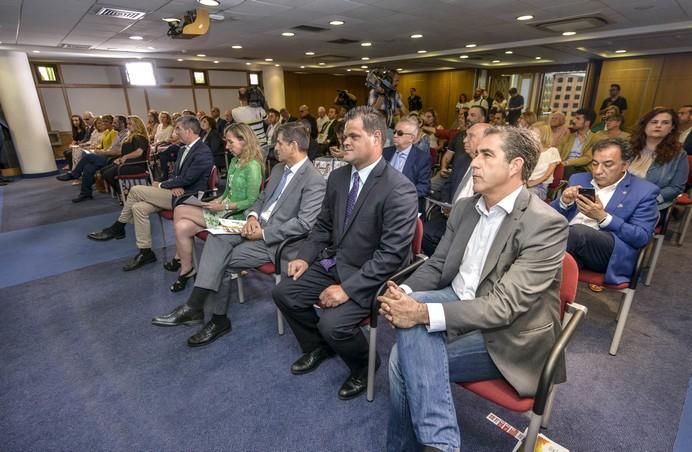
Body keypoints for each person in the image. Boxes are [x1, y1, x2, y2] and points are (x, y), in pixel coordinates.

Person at [380, 126, 569, 452]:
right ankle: (439, 444)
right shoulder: (467, 207)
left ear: (515, 166)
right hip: (457, 298)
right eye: (475, 153)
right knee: (408, 329)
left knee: (401, 361)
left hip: (510, 333)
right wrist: (406, 293)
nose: (474, 162)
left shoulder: (545, 224)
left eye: (486, 155)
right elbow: (439, 266)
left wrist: (421, 312)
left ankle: (424, 444)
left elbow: (503, 307)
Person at [273, 106, 418, 401]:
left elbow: (390, 256)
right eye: (344, 135)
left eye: (354, 135)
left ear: (376, 137)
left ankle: (365, 366)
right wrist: (304, 255)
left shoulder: (399, 189)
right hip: (337, 261)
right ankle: (318, 347)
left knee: (333, 323)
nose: (345, 141)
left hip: (373, 274)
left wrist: (347, 290)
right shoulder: (339, 178)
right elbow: (323, 226)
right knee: (284, 293)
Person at [151, 123, 326, 347]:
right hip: (253, 226)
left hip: (277, 242)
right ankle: (199, 309)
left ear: (293, 146)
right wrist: (252, 217)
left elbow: (303, 224)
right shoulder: (279, 169)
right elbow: (262, 199)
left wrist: (263, 232)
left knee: (219, 261)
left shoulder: (313, 180)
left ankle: (211, 316)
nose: (275, 148)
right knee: (216, 236)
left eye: (280, 143)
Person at [86, 116, 214, 272]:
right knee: (138, 208)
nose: (175, 132)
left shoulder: (203, 151)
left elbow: (189, 178)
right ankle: (145, 252)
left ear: (188, 130)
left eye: (178, 128)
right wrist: (171, 185)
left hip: (189, 198)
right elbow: (177, 176)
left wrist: (161, 184)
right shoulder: (183, 148)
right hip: (177, 192)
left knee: (135, 190)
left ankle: (118, 227)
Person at [166, 123, 264, 293]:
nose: (227, 147)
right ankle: (186, 269)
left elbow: (252, 201)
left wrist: (223, 206)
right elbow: (227, 192)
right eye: (226, 142)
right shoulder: (234, 161)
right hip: (225, 212)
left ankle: (180, 261)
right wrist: (216, 202)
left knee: (180, 209)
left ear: (245, 141)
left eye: (231, 142)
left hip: (238, 220)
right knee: (182, 227)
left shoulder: (253, 166)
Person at [552, 138, 659, 285]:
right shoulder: (579, 178)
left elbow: (641, 237)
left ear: (625, 165)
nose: (598, 171)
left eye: (607, 165)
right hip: (567, 244)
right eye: (594, 164)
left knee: (576, 233)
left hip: (607, 252)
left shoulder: (644, 191)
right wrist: (564, 202)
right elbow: (548, 217)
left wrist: (603, 218)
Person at [422, 122, 490, 256]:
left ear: (485, 141)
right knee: (424, 233)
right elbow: (448, 185)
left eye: (470, 136)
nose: (464, 140)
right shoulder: (461, 160)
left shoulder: (491, 170)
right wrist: (446, 205)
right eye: (465, 136)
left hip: (472, 221)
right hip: (448, 215)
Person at [628, 107, 689, 210]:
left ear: (672, 128)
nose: (658, 125)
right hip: (619, 198)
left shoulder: (679, 155)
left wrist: (648, 198)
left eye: (665, 123)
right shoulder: (627, 147)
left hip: (650, 205)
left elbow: (676, 188)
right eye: (654, 122)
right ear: (645, 125)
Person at [383, 117, 432, 212]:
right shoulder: (385, 153)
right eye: (394, 132)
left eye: (400, 133)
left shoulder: (422, 158)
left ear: (411, 138)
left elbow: (424, 187)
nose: (395, 135)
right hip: (382, 203)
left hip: (406, 206)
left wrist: (401, 196)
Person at [101, 116, 150, 198]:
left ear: (137, 125)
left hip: (137, 165)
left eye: (130, 124)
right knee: (103, 171)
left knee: (107, 174)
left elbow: (139, 152)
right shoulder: (130, 137)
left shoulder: (139, 137)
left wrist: (125, 157)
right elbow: (126, 153)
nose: (128, 126)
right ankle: (123, 192)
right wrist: (120, 159)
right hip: (128, 163)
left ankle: (123, 193)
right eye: (127, 124)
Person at [559, 108, 599, 178]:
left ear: (587, 122)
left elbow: (587, 158)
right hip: (564, 167)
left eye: (578, 118)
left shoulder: (595, 138)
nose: (573, 121)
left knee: (569, 170)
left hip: (582, 169)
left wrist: (566, 163)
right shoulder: (569, 136)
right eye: (574, 118)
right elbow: (559, 151)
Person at [527, 123, 562, 199]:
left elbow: (546, 175)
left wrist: (530, 184)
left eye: (533, 134)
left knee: (524, 196)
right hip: (525, 184)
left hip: (540, 187)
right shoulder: (530, 151)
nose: (530, 137)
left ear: (543, 135)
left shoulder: (552, 151)